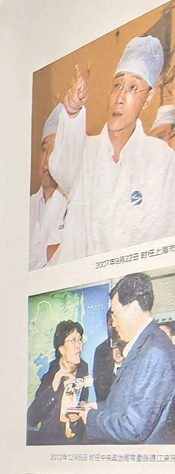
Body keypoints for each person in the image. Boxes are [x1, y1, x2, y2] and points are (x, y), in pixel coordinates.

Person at [47, 37, 175, 261]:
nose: (120, 98)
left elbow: (164, 233)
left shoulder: (161, 159)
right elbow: (62, 169)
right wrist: (73, 113)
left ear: (149, 97)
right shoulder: (85, 151)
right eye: (117, 85)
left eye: (133, 88)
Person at [76, 273, 175, 444]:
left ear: (133, 309)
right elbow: (131, 402)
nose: (113, 323)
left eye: (115, 314)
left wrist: (91, 418)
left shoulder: (154, 352)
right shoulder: (146, 345)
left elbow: (133, 428)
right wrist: (98, 408)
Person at [26, 319, 90, 445]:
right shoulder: (51, 376)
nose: (78, 345)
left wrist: (77, 416)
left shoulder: (83, 371)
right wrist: (54, 386)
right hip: (51, 442)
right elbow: (32, 419)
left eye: (80, 339)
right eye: (73, 340)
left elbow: (81, 404)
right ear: (62, 349)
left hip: (76, 442)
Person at [30, 111, 70, 268]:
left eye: (55, 150)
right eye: (45, 149)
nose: (47, 159)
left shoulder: (72, 203)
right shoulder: (25, 206)